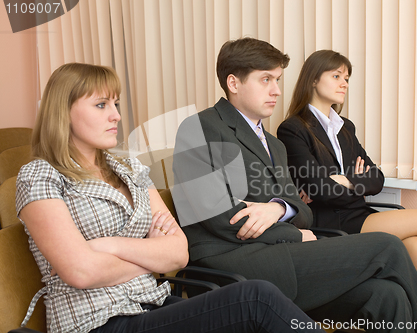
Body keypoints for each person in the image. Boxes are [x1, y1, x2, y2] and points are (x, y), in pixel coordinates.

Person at [15, 62, 326, 333]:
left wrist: (106, 247)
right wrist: (150, 256)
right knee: (256, 299)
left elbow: (178, 254)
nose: (116, 116)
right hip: (98, 321)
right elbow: (80, 271)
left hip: (154, 304)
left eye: (116, 104)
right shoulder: (40, 175)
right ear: (63, 112)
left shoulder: (129, 168)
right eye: (101, 105)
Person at [173, 37, 417, 333]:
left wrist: (277, 209)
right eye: (265, 79)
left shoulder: (276, 146)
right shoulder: (200, 128)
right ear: (233, 82)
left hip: (278, 257)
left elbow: (302, 213)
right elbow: (220, 217)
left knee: (386, 295)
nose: (276, 90)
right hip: (230, 263)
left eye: (277, 79)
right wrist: (291, 232)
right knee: (388, 246)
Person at [277, 49, 417, 333]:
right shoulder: (293, 129)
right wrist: (345, 182)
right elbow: (319, 189)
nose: (344, 83)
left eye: (346, 77)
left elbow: (377, 179)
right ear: (313, 79)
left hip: (357, 214)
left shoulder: (345, 128)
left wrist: (344, 180)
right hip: (330, 222)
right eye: (336, 76)